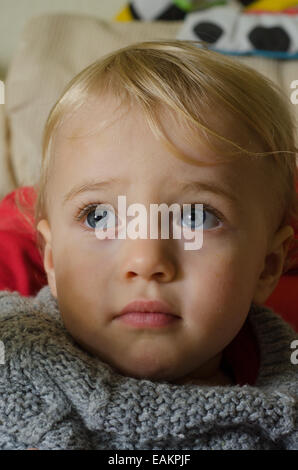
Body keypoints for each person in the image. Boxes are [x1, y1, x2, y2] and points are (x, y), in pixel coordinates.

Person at [0, 40, 298, 450]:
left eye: (197, 216)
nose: (146, 260)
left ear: (266, 267)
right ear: (52, 259)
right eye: (99, 217)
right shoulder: (14, 354)